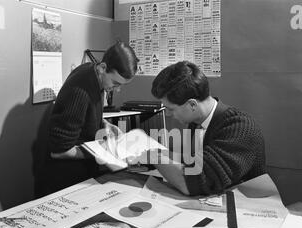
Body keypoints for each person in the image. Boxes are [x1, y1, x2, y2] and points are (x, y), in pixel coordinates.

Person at [36, 41, 139, 197]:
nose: (117, 89)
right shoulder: (81, 91)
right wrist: (101, 151)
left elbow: (85, 114)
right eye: (116, 83)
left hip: (83, 176)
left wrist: (105, 124)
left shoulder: (93, 72)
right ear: (103, 68)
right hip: (64, 183)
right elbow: (59, 152)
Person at [148, 61, 266, 196]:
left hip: (243, 208)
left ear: (192, 105)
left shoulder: (241, 128)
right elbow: (192, 160)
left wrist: (151, 156)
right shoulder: (196, 122)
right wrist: (154, 151)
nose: (168, 114)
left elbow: (193, 183)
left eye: (170, 109)